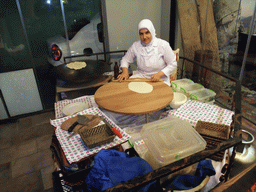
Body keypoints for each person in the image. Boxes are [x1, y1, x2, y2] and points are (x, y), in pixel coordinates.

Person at [117, 19, 177, 86]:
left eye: (147, 33)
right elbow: (125, 59)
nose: (144, 37)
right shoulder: (136, 46)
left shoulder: (163, 45)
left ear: (152, 31)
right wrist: (125, 72)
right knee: (128, 90)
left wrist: (159, 74)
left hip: (160, 78)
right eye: (141, 34)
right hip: (142, 77)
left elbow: (173, 64)